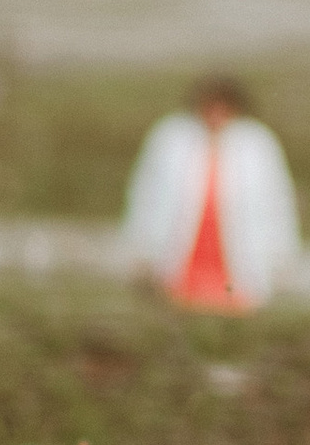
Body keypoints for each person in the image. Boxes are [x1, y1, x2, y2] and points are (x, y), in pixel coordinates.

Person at [124, 77, 300, 313]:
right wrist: (140, 250)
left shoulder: (258, 144)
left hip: (239, 260)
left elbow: (276, 203)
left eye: (224, 107)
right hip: (181, 257)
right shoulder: (171, 138)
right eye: (210, 106)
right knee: (175, 304)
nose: (216, 114)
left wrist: (281, 258)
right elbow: (146, 195)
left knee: (238, 298)